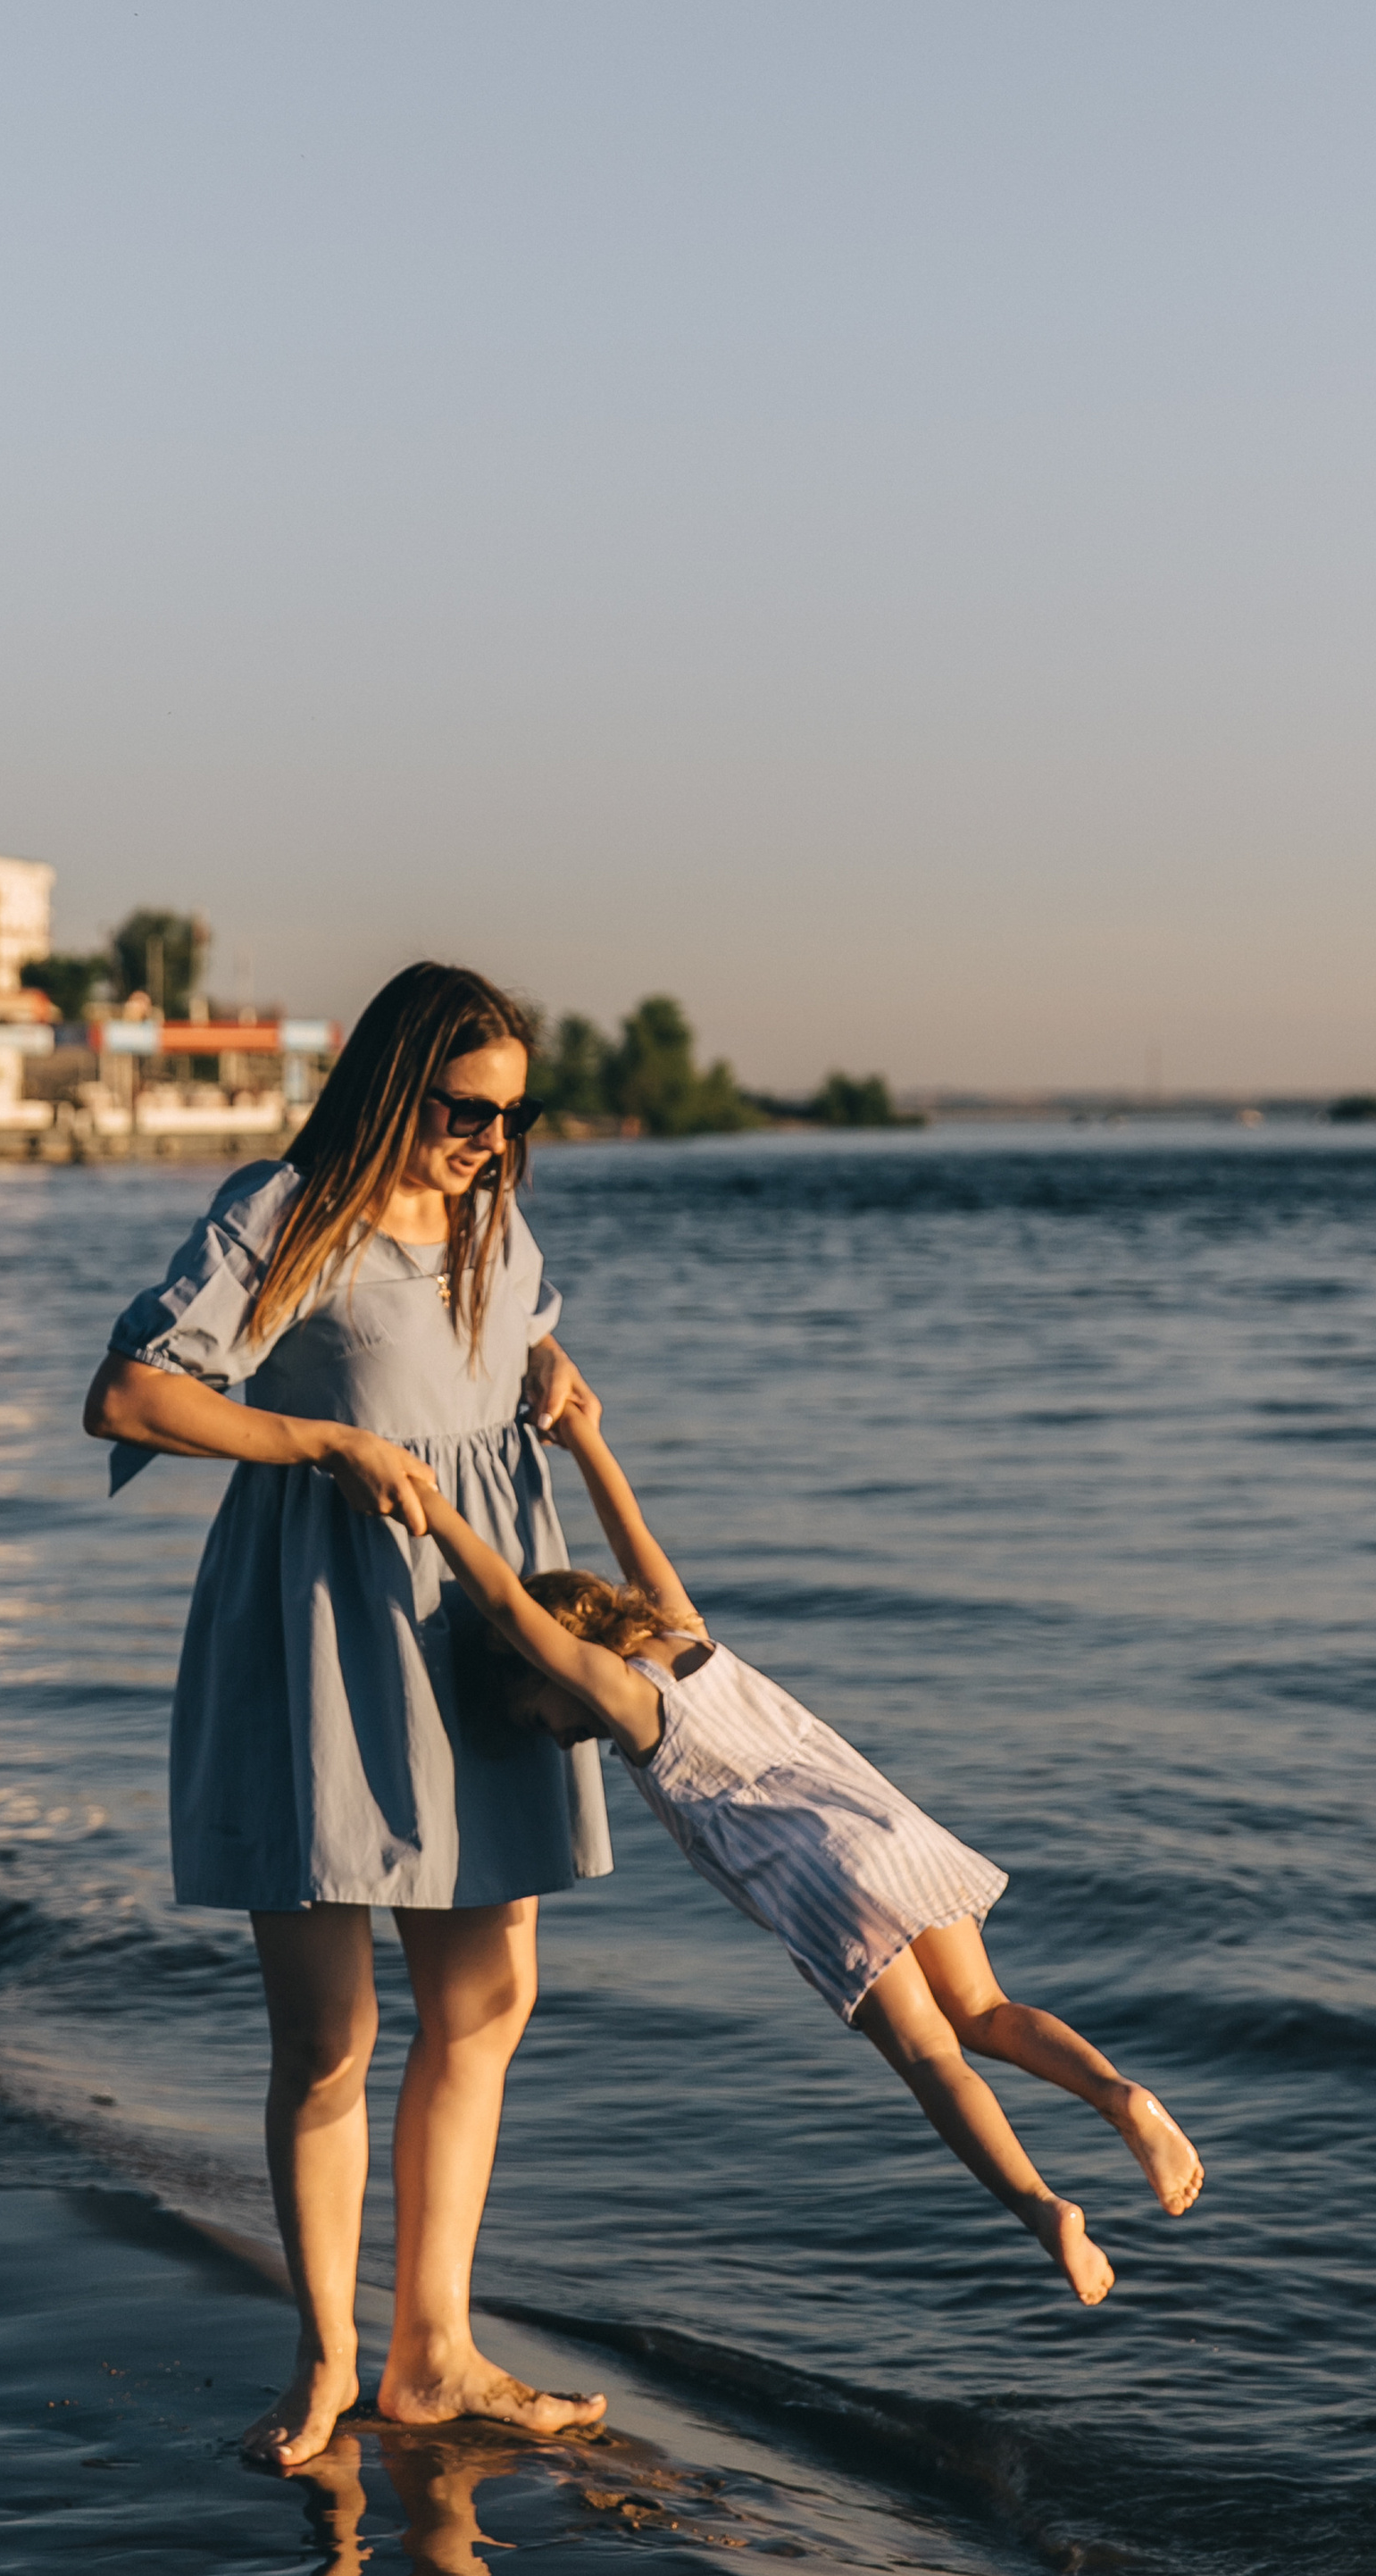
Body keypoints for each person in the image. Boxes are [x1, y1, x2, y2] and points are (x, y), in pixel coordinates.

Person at [83, 961, 611, 2470]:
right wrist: (317, 1440)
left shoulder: (493, 1223)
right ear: (392, 1085)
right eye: (463, 1111)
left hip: (480, 1640)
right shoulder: (287, 1212)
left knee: (487, 2004)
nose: (489, 1143)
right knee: (330, 2033)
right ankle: (325, 2360)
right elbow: (130, 1396)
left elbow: (499, 1347)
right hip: (319, 1637)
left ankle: (433, 2353)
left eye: (512, 1118)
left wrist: (546, 1364)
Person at [412, 1384, 1205, 2306]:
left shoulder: (629, 1704)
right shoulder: (685, 1636)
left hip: (825, 1876)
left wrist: (433, 1510)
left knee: (931, 2059)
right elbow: (631, 1531)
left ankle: (1043, 2210)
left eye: (533, 1714)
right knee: (984, 2011)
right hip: (892, 1829)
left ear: (552, 1661)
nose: (551, 1738)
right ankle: (1119, 2096)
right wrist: (585, 1439)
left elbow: (511, 1611)